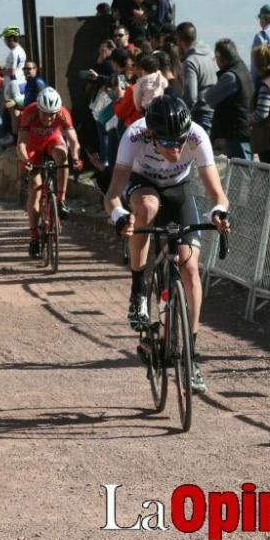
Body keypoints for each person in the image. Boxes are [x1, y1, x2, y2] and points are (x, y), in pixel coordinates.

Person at [103, 96, 231, 393]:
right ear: (151, 135)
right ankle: (138, 288)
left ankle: (191, 356)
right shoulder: (134, 136)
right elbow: (112, 194)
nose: (176, 148)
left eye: (180, 141)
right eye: (167, 142)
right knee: (147, 208)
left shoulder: (197, 136)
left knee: (189, 270)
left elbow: (218, 195)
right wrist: (121, 216)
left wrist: (218, 213)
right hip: (142, 184)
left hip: (178, 191)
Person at [15, 87, 82, 258]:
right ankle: (34, 238)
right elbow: (21, 144)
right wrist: (26, 160)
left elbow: (74, 141)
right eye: (45, 114)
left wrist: (75, 157)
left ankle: (61, 199)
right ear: (38, 109)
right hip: (33, 146)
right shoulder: (29, 113)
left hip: (52, 142)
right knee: (35, 190)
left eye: (53, 114)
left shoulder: (63, 113)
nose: (49, 118)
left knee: (62, 155)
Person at [203, 38, 253, 160]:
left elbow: (209, 98)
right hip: (242, 129)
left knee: (242, 171)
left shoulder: (231, 76)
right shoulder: (242, 69)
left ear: (221, 57)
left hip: (236, 131)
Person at [174, 22, 217, 132]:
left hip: (201, 114)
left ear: (179, 40)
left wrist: (181, 118)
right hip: (215, 110)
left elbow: (191, 97)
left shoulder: (190, 62)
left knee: (196, 148)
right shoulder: (210, 54)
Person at [0, 26, 27, 117]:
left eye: (5, 38)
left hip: (13, 84)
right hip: (21, 81)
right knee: (19, 109)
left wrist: (1, 72)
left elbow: (12, 71)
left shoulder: (14, 52)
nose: (4, 41)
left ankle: (16, 131)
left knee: (14, 111)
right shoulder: (21, 50)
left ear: (11, 38)